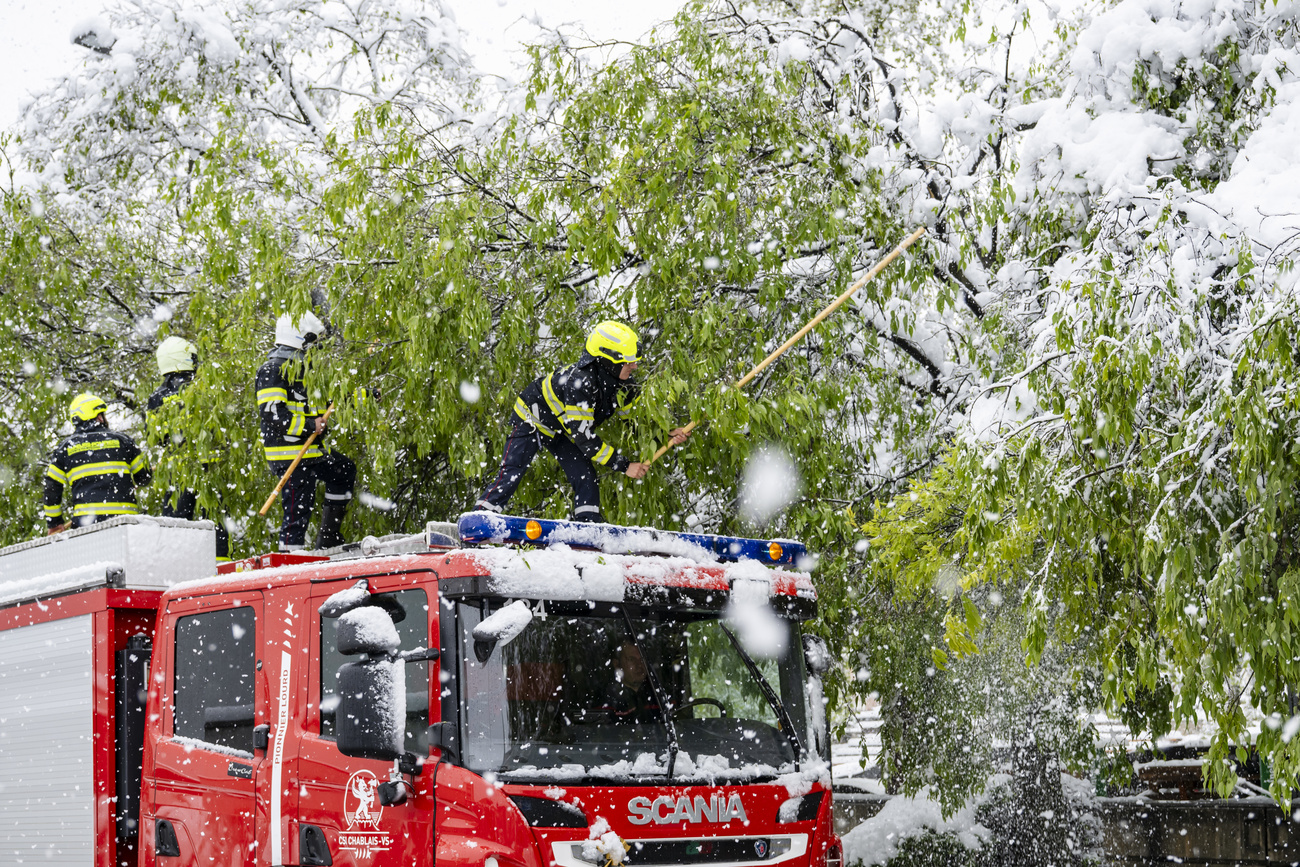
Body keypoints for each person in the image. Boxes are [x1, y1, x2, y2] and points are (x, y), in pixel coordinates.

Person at [475, 321, 691, 523]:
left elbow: (634, 422)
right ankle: (480, 519)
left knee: (585, 475)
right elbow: (586, 441)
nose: (634, 366)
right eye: (628, 361)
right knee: (512, 471)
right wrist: (625, 466)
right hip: (531, 419)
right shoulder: (580, 383)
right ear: (608, 361)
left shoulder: (624, 385)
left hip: (561, 428)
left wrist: (665, 435)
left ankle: (588, 528)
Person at [256, 312, 356, 551]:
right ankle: (290, 559)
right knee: (297, 512)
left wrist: (366, 397)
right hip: (290, 455)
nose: (318, 348)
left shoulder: (306, 371)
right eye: (315, 343)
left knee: (344, 470)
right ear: (301, 339)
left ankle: (328, 538)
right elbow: (273, 413)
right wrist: (310, 426)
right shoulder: (273, 370)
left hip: (311, 452)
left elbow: (333, 400)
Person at [146, 335, 230, 562]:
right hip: (210, 468)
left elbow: (154, 438)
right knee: (215, 520)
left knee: (175, 522)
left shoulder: (157, 397)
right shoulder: (206, 387)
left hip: (178, 471)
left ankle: (175, 565)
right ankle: (220, 566)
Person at [43, 392, 152, 533]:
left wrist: (54, 523)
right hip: (126, 523)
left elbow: (51, 487)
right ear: (99, 417)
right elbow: (144, 477)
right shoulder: (124, 441)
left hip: (86, 525)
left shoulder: (65, 449)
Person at [603, 641, 661, 724]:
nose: (639, 665)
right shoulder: (608, 701)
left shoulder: (658, 696)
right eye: (631, 659)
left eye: (642, 659)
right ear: (616, 664)